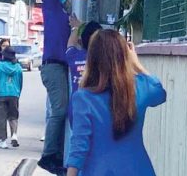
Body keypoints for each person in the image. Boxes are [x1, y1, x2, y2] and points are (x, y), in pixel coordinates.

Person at [66, 30, 167, 176]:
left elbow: (79, 147)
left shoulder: (84, 98)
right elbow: (160, 94)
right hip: (139, 170)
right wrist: (137, 64)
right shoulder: (139, 88)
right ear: (124, 56)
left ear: (93, 58)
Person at [38, 0, 73, 174]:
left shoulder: (62, 13)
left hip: (62, 67)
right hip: (53, 66)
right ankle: (49, 156)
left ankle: (57, 154)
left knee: (63, 110)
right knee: (59, 110)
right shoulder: (50, 3)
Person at [63, 18, 102, 164]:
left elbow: (70, 45)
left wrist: (76, 28)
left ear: (82, 41)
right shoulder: (102, 60)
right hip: (97, 111)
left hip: (76, 110)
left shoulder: (74, 57)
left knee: (79, 146)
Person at [0, 47, 23, 149]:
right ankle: (14, 135)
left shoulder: (0, 67)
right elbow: (20, 83)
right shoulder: (18, 68)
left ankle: (2, 141)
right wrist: (17, 93)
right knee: (13, 116)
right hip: (14, 95)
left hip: (0, 95)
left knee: (1, 118)